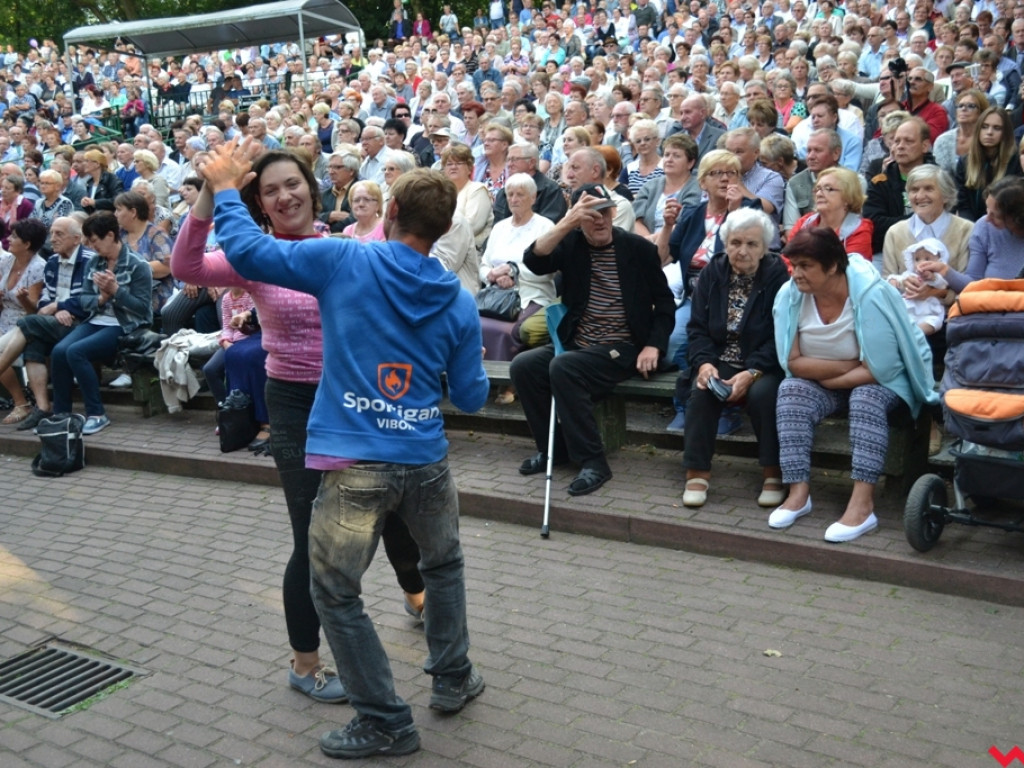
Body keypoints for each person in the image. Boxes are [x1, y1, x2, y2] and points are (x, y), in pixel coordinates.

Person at [204, 142, 489, 758]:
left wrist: (228, 189)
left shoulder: (343, 260)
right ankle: (452, 678)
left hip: (356, 461)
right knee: (443, 567)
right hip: (425, 458)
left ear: (387, 214)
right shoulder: (459, 302)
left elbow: (250, 251)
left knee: (335, 589)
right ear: (444, 229)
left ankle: (386, 719)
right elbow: (470, 396)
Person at [173, 148, 428, 717]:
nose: (284, 196)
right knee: (311, 537)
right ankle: (304, 665)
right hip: (294, 404)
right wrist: (213, 195)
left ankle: (418, 597)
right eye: (270, 191)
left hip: (359, 399)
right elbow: (186, 267)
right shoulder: (252, 256)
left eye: (293, 185)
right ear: (257, 203)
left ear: (313, 190)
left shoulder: (352, 248)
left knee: (392, 511)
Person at [770, 227, 937, 543]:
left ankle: (863, 505)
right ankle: (798, 493)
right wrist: (847, 368)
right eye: (794, 265)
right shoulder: (789, 295)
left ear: (832, 266)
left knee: (865, 397)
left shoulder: (871, 295)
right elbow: (791, 362)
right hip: (832, 380)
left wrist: (827, 374)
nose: (796, 274)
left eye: (805, 265)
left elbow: (880, 369)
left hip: (885, 383)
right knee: (790, 390)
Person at [510, 184, 675, 496]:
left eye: (604, 211)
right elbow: (533, 260)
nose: (600, 220)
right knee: (524, 366)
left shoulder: (638, 249)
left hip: (623, 347)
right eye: (590, 214)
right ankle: (553, 450)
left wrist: (654, 345)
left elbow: (665, 303)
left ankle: (594, 461)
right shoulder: (571, 243)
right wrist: (566, 223)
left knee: (564, 367)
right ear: (577, 218)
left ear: (613, 212)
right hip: (578, 342)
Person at [681, 209, 789, 509]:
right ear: (725, 243)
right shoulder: (712, 273)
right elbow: (698, 329)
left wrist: (752, 371)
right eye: (736, 242)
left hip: (765, 360)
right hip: (721, 355)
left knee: (764, 395)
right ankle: (697, 472)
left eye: (752, 244)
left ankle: (772, 472)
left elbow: (781, 335)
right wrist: (704, 364)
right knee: (703, 390)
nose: (743, 251)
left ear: (765, 247)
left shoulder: (778, 274)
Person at [51, 211, 154, 436]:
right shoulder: (95, 262)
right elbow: (84, 300)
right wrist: (101, 298)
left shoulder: (138, 265)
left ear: (110, 235)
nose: (93, 247)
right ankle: (61, 413)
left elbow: (143, 309)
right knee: (59, 351)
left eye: (95, 241)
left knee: (76, 352)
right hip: (96, 320)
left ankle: (97, 414)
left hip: (124, 324)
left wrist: (116, 290)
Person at [0, 217, 91, 431]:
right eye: (52, 234)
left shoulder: (84, 260)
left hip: (53, 320)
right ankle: (41, 406)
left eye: (59, 234)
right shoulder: (48, 262)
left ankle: (25, 403)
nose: (53, 239)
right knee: (33, 343)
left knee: (29, 324)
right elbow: (45, 301)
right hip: (33, 319)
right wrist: (56, 307)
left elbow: (87, 300)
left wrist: (57, 306)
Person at [478, 173, 557, 403]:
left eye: (520, 194)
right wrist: (493, 274)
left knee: (509, 331)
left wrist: (514, 272)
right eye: (510, 194)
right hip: (496, 295)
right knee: (475, 324)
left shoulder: (544, 226)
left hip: (532, 292)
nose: (514, 199)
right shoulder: (500, 227)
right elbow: (484, 264)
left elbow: (548, 270)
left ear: (533, 197)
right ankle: (483, 382)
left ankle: (510, 384)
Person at [918, 176, 1024, 293]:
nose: (987, 218)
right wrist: (944, 270)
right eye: (987, 209)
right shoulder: (984, 227)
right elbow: (973, 284)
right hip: (991, 307)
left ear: (1017, 219)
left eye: (996, 216)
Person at [0, 219, 47, 424]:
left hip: (24, 322)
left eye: (14, 236)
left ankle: (21, 403)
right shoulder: (6, 261)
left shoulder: (38, 267)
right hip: (4, 316)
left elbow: (35, 310)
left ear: (27, 244)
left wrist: (23, 298)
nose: (8, 239)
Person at [789, 167, 874, 257]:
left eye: (828, 189)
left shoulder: (859, 230)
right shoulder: (804, 222)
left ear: (848, 197)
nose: (819, 194)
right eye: (817, 189)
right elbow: (787, 259)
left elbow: (852, 269)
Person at [954, 107, 1020, 222]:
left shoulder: (1016, 162)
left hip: (1006, 225)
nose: (989, 132)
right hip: (971, 225)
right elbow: (962, 202)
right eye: (984, 127)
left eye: (997, 128)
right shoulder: (965, 162)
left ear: (1005, 133)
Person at [632, 133, 701, 239]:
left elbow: (684, 224)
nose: (669, 159)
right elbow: (636, 219)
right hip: (645, 244)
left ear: (690, 163)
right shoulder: (650, 185)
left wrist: (654, 241)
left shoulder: (696, 187)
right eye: (666, 155)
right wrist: (648, 242)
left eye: (676, 156)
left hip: (676, 244)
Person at [888, 238, 950, 336]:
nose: (921, 262)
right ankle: (906, 332)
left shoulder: (938, 276)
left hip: (930, 310)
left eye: (927, 259)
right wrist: (894, 281)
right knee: (899, 317)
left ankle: (917, 333)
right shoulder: (910, 274)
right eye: (917, 259)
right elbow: (899, 279)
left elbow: (943, 285)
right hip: (909, 308)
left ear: (939, 261)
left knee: (934, 322)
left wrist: (932, 277)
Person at [442, 144, 493, 252]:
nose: (453, 167)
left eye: (459, 163)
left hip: (470, 252)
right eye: (449, 164)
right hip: (445, 248)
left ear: (470, 169)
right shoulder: (442, 194)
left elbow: (472, 226)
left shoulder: (477, 189)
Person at [0, 174, 35, 250]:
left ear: (18, 191)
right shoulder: (0, 202)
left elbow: (22, 232)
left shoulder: (25, 205)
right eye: (3, 187)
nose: (3, 191)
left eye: (7, 188)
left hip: (12, 244)